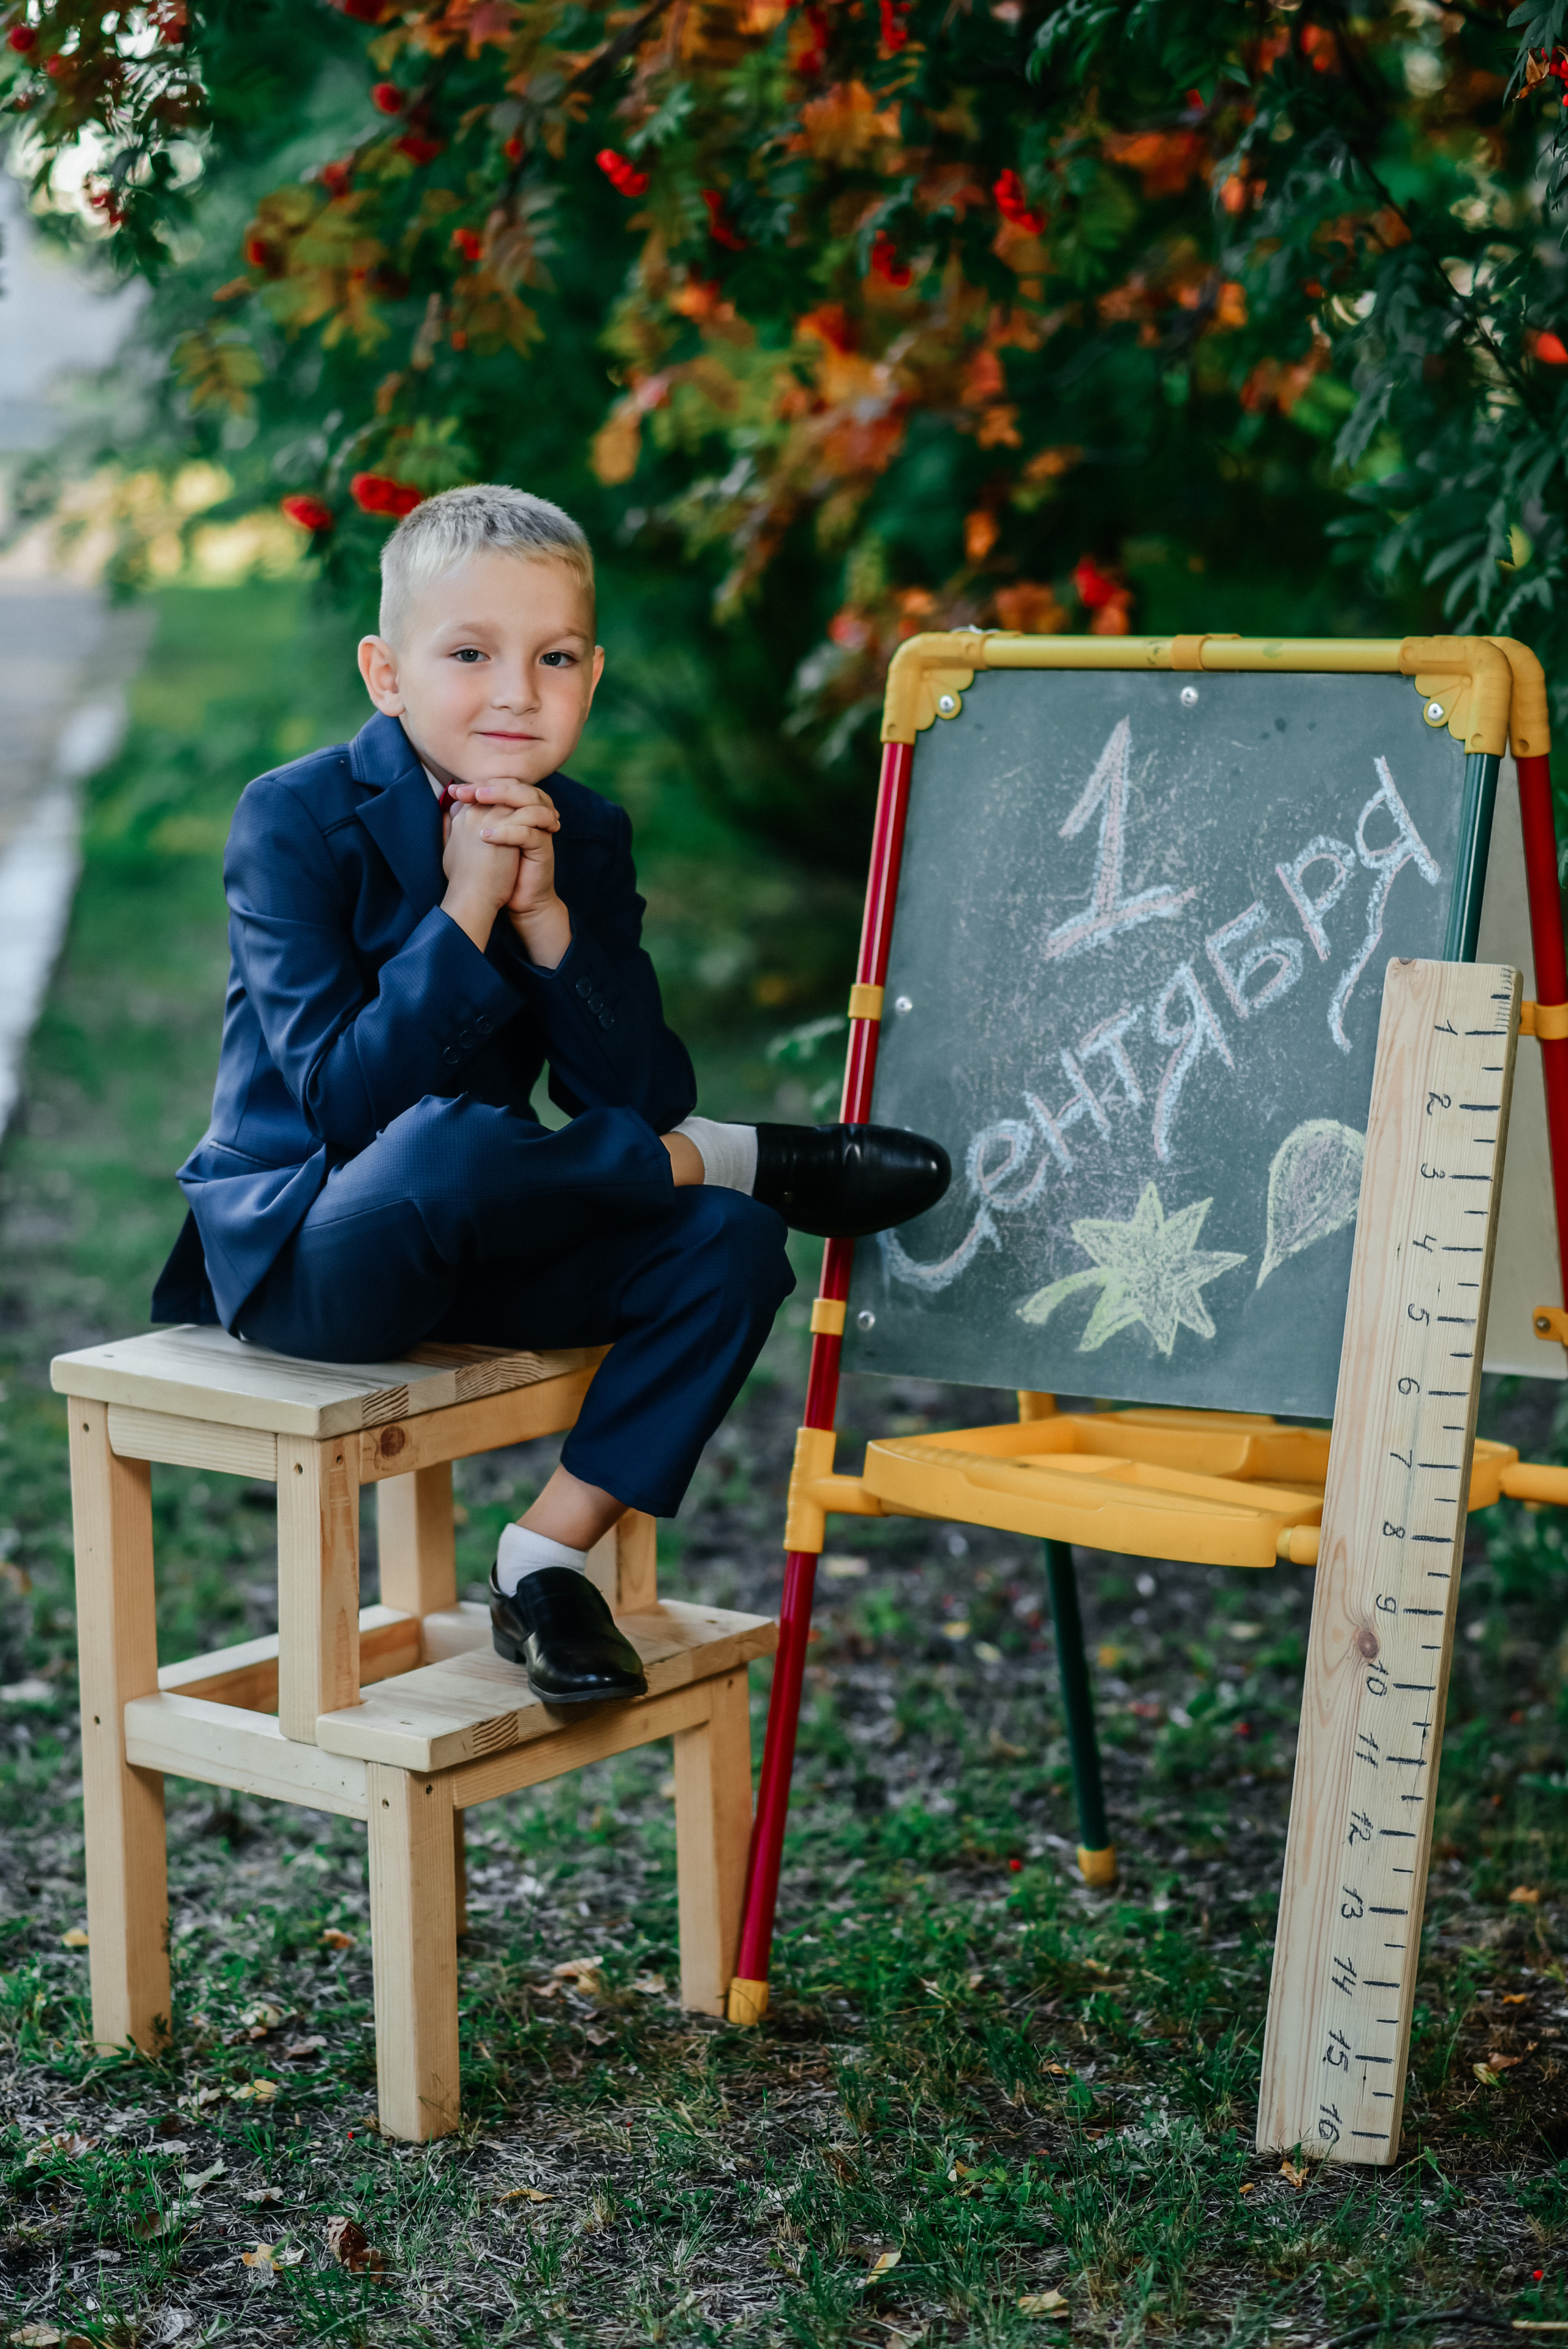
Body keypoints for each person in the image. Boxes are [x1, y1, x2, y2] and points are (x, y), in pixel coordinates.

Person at [151, 484, 949, 1706]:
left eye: (554, 656)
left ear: (592, 671)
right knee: (447, 1145)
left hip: (487, 1230)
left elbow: (634, 1092)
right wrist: (465, 907)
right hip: (311, 1254)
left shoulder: (582, 829)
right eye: (469, 654)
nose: (516, 691)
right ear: (387, 673)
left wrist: (545, 918)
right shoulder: (295, 819)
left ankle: (544, 1558)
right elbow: (338, 1109)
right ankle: (738, 1153)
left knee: (732, 1242)